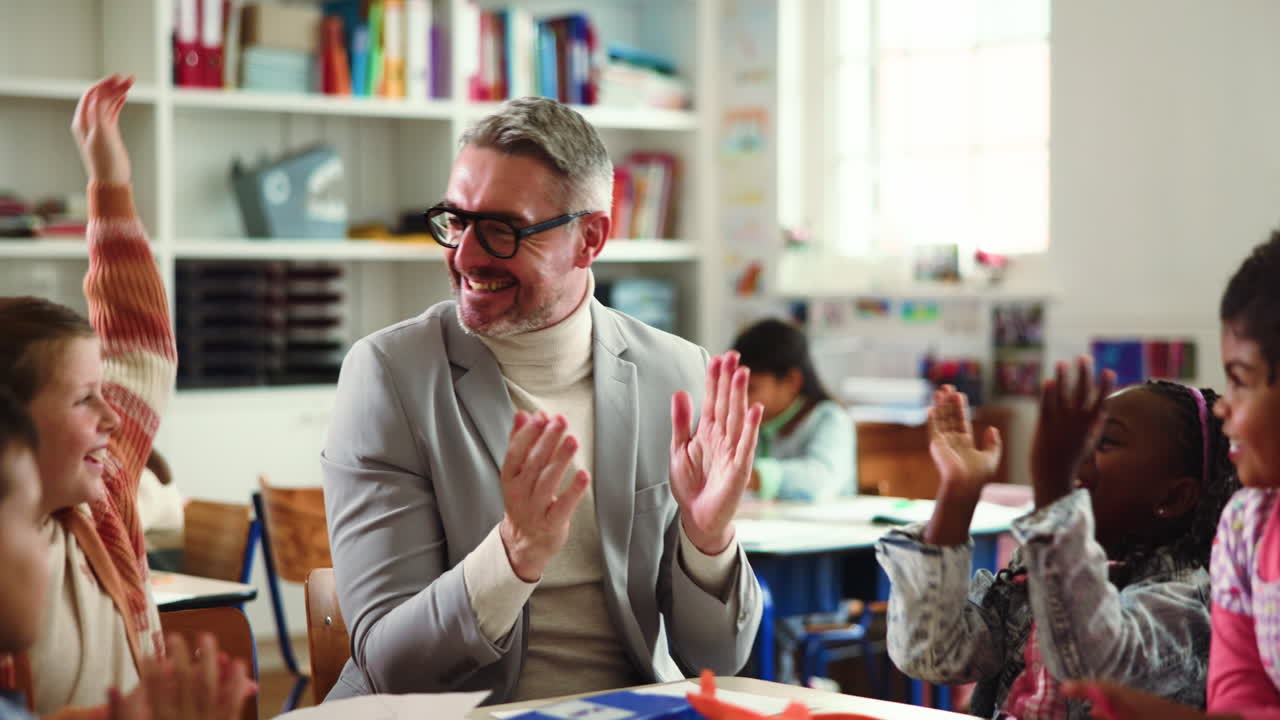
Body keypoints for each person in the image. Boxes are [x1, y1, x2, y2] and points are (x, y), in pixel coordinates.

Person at [321, 97, 764, 704]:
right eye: (456, 220)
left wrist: (708, 540)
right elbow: (392, 667)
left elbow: (716, 659)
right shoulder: (391, 376)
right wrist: (514, 554)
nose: (466, 256)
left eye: (502, 230)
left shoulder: (676, 372)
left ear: (590, 239)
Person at [0, 75, 253, 719]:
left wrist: (110, 187)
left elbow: (138, 347)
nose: (112, 415)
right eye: (84, 398)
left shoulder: (100, 502)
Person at [877, 355, 1238, 719]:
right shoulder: (1038, 564)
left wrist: (1055, 485)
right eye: (1081, 440)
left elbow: (1091, 668)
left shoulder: (1186, 599)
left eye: (1106, 442)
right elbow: (935, 655)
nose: (1077, 453)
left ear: (1173, 498)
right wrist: (959, 491)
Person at [1064, 232, 1280, 720]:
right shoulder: (1249, 525)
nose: (1226, 407)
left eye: (1241, 381)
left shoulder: (1182, 593)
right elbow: (1243, 703)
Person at [732, 318, 854, 502]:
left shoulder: (829, 419)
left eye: (751, 389)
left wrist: (752, 476)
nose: (739, 398)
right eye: (735, 387)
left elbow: (822, 479)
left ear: (791, 381)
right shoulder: (750, 423)